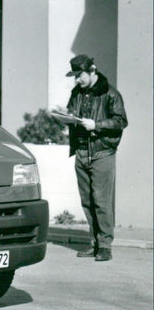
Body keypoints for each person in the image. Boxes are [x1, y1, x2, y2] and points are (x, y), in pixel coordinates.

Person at [63, 54, 128, 261]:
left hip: (102, 154)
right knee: (87, 202)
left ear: (92, 70)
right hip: (81, 153)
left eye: (79, 75)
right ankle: (94, 243)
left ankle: (105, 246)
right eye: (74, 76)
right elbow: (72, 111)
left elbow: (120, 121)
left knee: (101, 201)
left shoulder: (111, 94)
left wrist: (97, 125)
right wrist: (64, 115)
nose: (77, 81)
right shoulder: (77, 93)